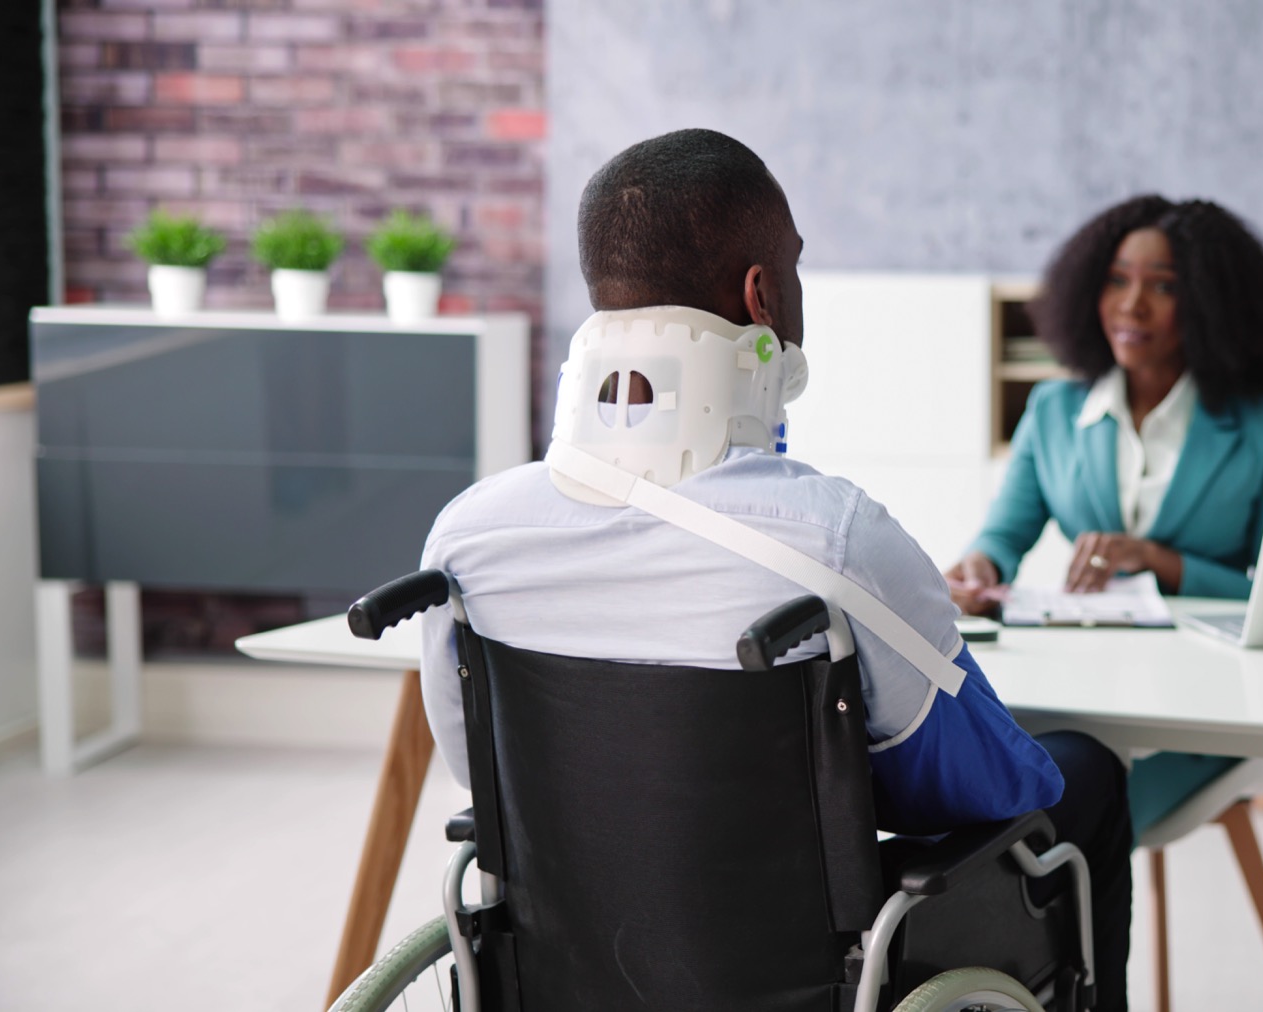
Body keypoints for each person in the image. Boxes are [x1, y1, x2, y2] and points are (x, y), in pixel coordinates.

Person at [416, 129, 1132, 1007]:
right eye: (793, 269)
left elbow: (480, 773)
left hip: (573, 960)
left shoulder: (468, 541)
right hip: (800, 969)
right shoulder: (832, 537)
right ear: (762, 294)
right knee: (1084, 773)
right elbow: (985, 786)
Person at [945, 194, 1263, 838]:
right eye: (1116, 281)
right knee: (1014, 791)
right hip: (1088, 680)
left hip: (1208, 704)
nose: (1131, 306)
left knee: (1063, 822)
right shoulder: (1055, 410)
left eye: (1163, 287)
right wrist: (980, 566)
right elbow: (1006, 533)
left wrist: (1164, 563)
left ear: (1211, 303)